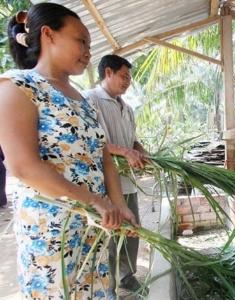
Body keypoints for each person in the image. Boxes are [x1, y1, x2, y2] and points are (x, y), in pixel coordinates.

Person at [0, 3, 137, 299]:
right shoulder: (18, 87)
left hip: (92, 225)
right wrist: (95, 201)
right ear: (48, 35)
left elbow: (103, 157)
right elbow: (23, 167)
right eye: (81, 41)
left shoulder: (80, 97)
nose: (88, 51)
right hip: (51, 231)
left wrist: (117, 203)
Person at [84, 54, 148, 298]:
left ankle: (127, 276)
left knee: (132, 230)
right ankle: (108, 286)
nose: (127, 82)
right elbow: (93, 141)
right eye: (123, 76)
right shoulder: (91, 100)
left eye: (129, 78)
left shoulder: (127, 107)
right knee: (110, 235)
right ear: (108, 73)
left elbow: (132, 139)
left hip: (128, 182)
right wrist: (123, 151)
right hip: (105, 184)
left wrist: (141, 151)